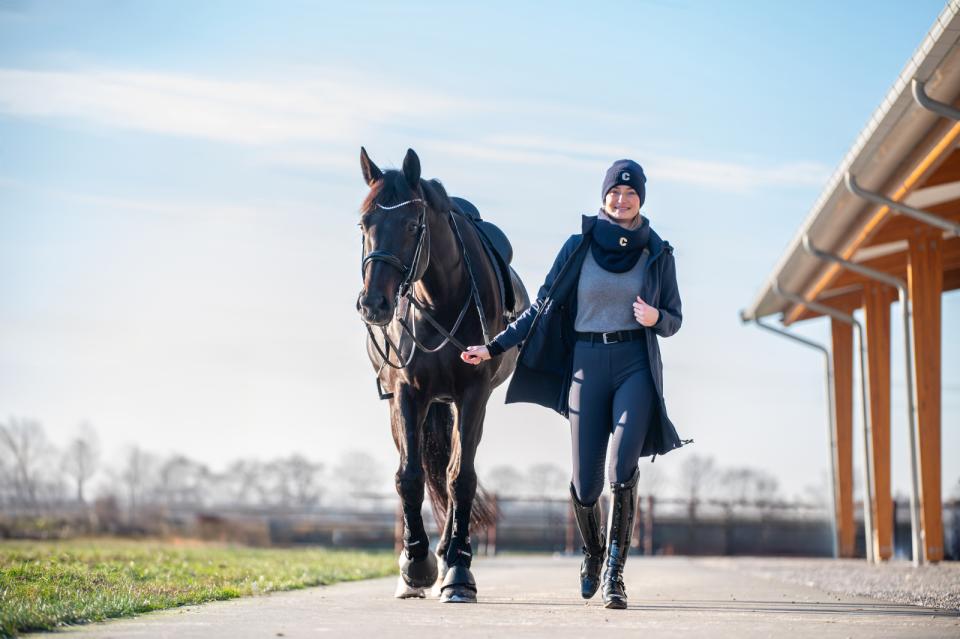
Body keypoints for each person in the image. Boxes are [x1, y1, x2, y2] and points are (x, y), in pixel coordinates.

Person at [461, 159, 689, 609]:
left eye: (630, 193)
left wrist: (656, 317)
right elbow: (541, 306)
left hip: (634, 365)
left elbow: (675, 320)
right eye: (615, 193)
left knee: (621, 467)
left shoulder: (658, 254)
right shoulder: (578, 246)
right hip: (586, 364)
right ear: (603, 196)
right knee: (586, 484)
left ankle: (615, 573)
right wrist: (494, 346)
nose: (621, 200)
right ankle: (592, 550)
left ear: (641, 198)